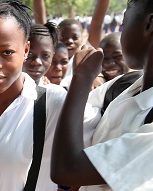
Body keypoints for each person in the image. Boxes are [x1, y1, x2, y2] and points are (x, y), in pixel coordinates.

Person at [0, 0, 99, 190]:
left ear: (25, 50)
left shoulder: (52, 102)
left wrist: (86, 81)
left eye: (7, 52)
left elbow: (106, 135)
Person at [51, 0, 153, 190]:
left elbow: (67, 169)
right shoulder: (124, 85)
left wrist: (81, 78)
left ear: (149, 25)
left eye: (124, 25)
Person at [58, 19, 83, 89]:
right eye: (63, 37)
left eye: (75, 38)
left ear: (82, 39)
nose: (69, 41)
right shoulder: (48, 59)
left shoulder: (85, 62)